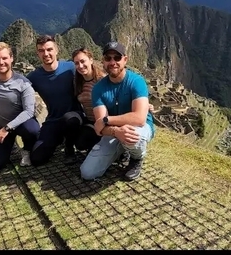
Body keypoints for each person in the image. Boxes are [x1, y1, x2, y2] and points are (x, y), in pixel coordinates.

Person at [80, 41, 155, 182]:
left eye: (117, 58)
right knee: (87, 172)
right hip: (115, 132)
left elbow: (139, 119)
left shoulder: (137, 81)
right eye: (108, 58)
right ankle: (121, 150)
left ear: (125, 60)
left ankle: (136, 158)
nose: (113, 62)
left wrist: (107, 120)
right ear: (103, 61)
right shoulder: (99, 89)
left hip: (139, 128)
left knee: (132, 135)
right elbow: (99, 129)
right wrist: (116, 131)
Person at [0, 41, 40, 169]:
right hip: (0, 125)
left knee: (32, 130)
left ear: (11, 58)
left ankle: (27, 150)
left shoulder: (23, 83)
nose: (1, 62)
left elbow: (29, 111)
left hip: (21, 124)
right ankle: (11, 147)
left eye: (4, 58)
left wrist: (7, 128)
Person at [27, 34, 81, 166]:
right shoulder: (34, 77)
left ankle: (69, 147)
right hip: (53, 120)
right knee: (37, 158)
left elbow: (93, 73)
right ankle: (57, 138)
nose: (46, 54)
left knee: (70, 119)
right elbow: (16, 87)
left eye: (49, 49)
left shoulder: (71, 68)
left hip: (74, 117)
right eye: (41, 51)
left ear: (56, 50)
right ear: (37, 54)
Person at [70, 47, 106, 155]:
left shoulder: (102, 80)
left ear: (91, 60)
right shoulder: (77, 82)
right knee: (80, 144)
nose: (80, 66)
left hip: (105, 121)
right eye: (76, 63)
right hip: (90, 121)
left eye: (82, 61)